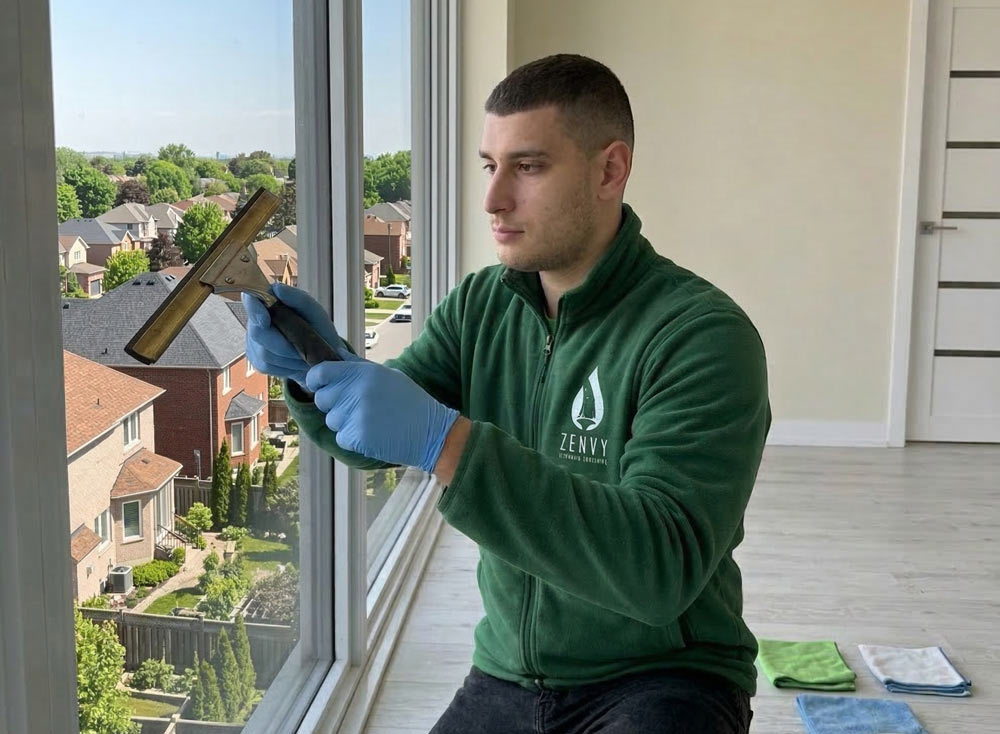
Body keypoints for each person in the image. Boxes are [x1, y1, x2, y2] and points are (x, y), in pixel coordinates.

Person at [244, 53, 769, 734]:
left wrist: (448, 442)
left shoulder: (701, 335)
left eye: (529, 167)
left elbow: (658, 571)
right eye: (490, 166)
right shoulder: (481, 306)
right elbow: (382, 434)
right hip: (508, 672)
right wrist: (318, 373)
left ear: (610, 170)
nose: (493, 199)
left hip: (665, 678)